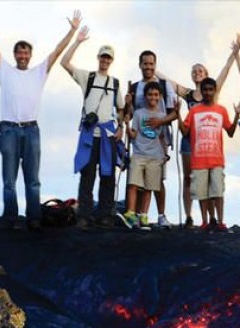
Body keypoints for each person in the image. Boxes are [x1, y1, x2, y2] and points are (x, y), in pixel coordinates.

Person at [0, 4, 80, 231]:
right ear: (14, 55)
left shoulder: (38, 72)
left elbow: (57, 52)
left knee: (33, 179)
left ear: (30, 56)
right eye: (19, 52)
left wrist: (72, 31)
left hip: (31, 130)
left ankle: (34, 218)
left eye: (26, 52)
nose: (22, 55)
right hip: (9, 129)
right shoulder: (5, 70)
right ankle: (11, 217)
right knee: (9, 180)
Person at [160, 34, 240, 228]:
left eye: (200, 70)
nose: (197, 72)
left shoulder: (213, 90)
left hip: (209, 142)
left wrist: (235, 52)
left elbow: (225, 70)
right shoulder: (188, 94)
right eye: (194, 71)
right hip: (189, 138)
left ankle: (215, 219)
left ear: (206, 75)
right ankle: (190, 216)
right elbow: (169, 82)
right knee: (191, 179)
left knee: (212, 182)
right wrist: (154, 70)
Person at [61, 26, 125, 229]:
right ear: (98, 58)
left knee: (107, 175)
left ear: (111, 61)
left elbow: (122, 108)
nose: (105, 61)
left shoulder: (115, 83)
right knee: (87, 174)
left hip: (107, 134)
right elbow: (64, 62)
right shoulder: (87, 77)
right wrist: (78, 41)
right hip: (90, 133)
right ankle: (84, 216)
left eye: (108, 58)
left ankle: (105, 215)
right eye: (103, 57)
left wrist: (121, 127)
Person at [177, 77, 240, 231]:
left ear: (215, 91)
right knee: (202, 193)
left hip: (216, 159)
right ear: (201, 91)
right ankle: (205, 221)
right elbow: (185, 130)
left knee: (217, 191)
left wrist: (237, 116)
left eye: (210, 89)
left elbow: (231, 132)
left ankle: (220, 221)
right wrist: (178, 114)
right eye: (205, 90)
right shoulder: (194, 110)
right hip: (198, 159)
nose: (207, 92)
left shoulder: (221, 110)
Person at [124, 51, 178, 229]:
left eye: (151, 64)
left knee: (157, 181)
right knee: (139, 180)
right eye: (145, 64)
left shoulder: (164, 85)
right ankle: (138, 215)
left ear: (155, 65)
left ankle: (161, 215)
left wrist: (160, 121)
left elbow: (173, 113)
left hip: (159, 140)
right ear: (140, 65)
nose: (148, 67)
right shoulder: (135, 87)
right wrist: (127, 105)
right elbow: (131, 113)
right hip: (141, 141)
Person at [120, 82, 168, 230]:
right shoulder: (139, 113)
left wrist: (165, 154)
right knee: (133, 184)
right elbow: (133, 134)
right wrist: (127, 126)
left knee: (149, 187)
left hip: (155, 156)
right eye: (150, 94)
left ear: (160, 97)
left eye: (155, 95)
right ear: (145, 96)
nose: (152, 97)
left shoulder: (162, 116)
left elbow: (162, 137)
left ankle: (143, 215)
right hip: (139, 154)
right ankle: (131, 213)